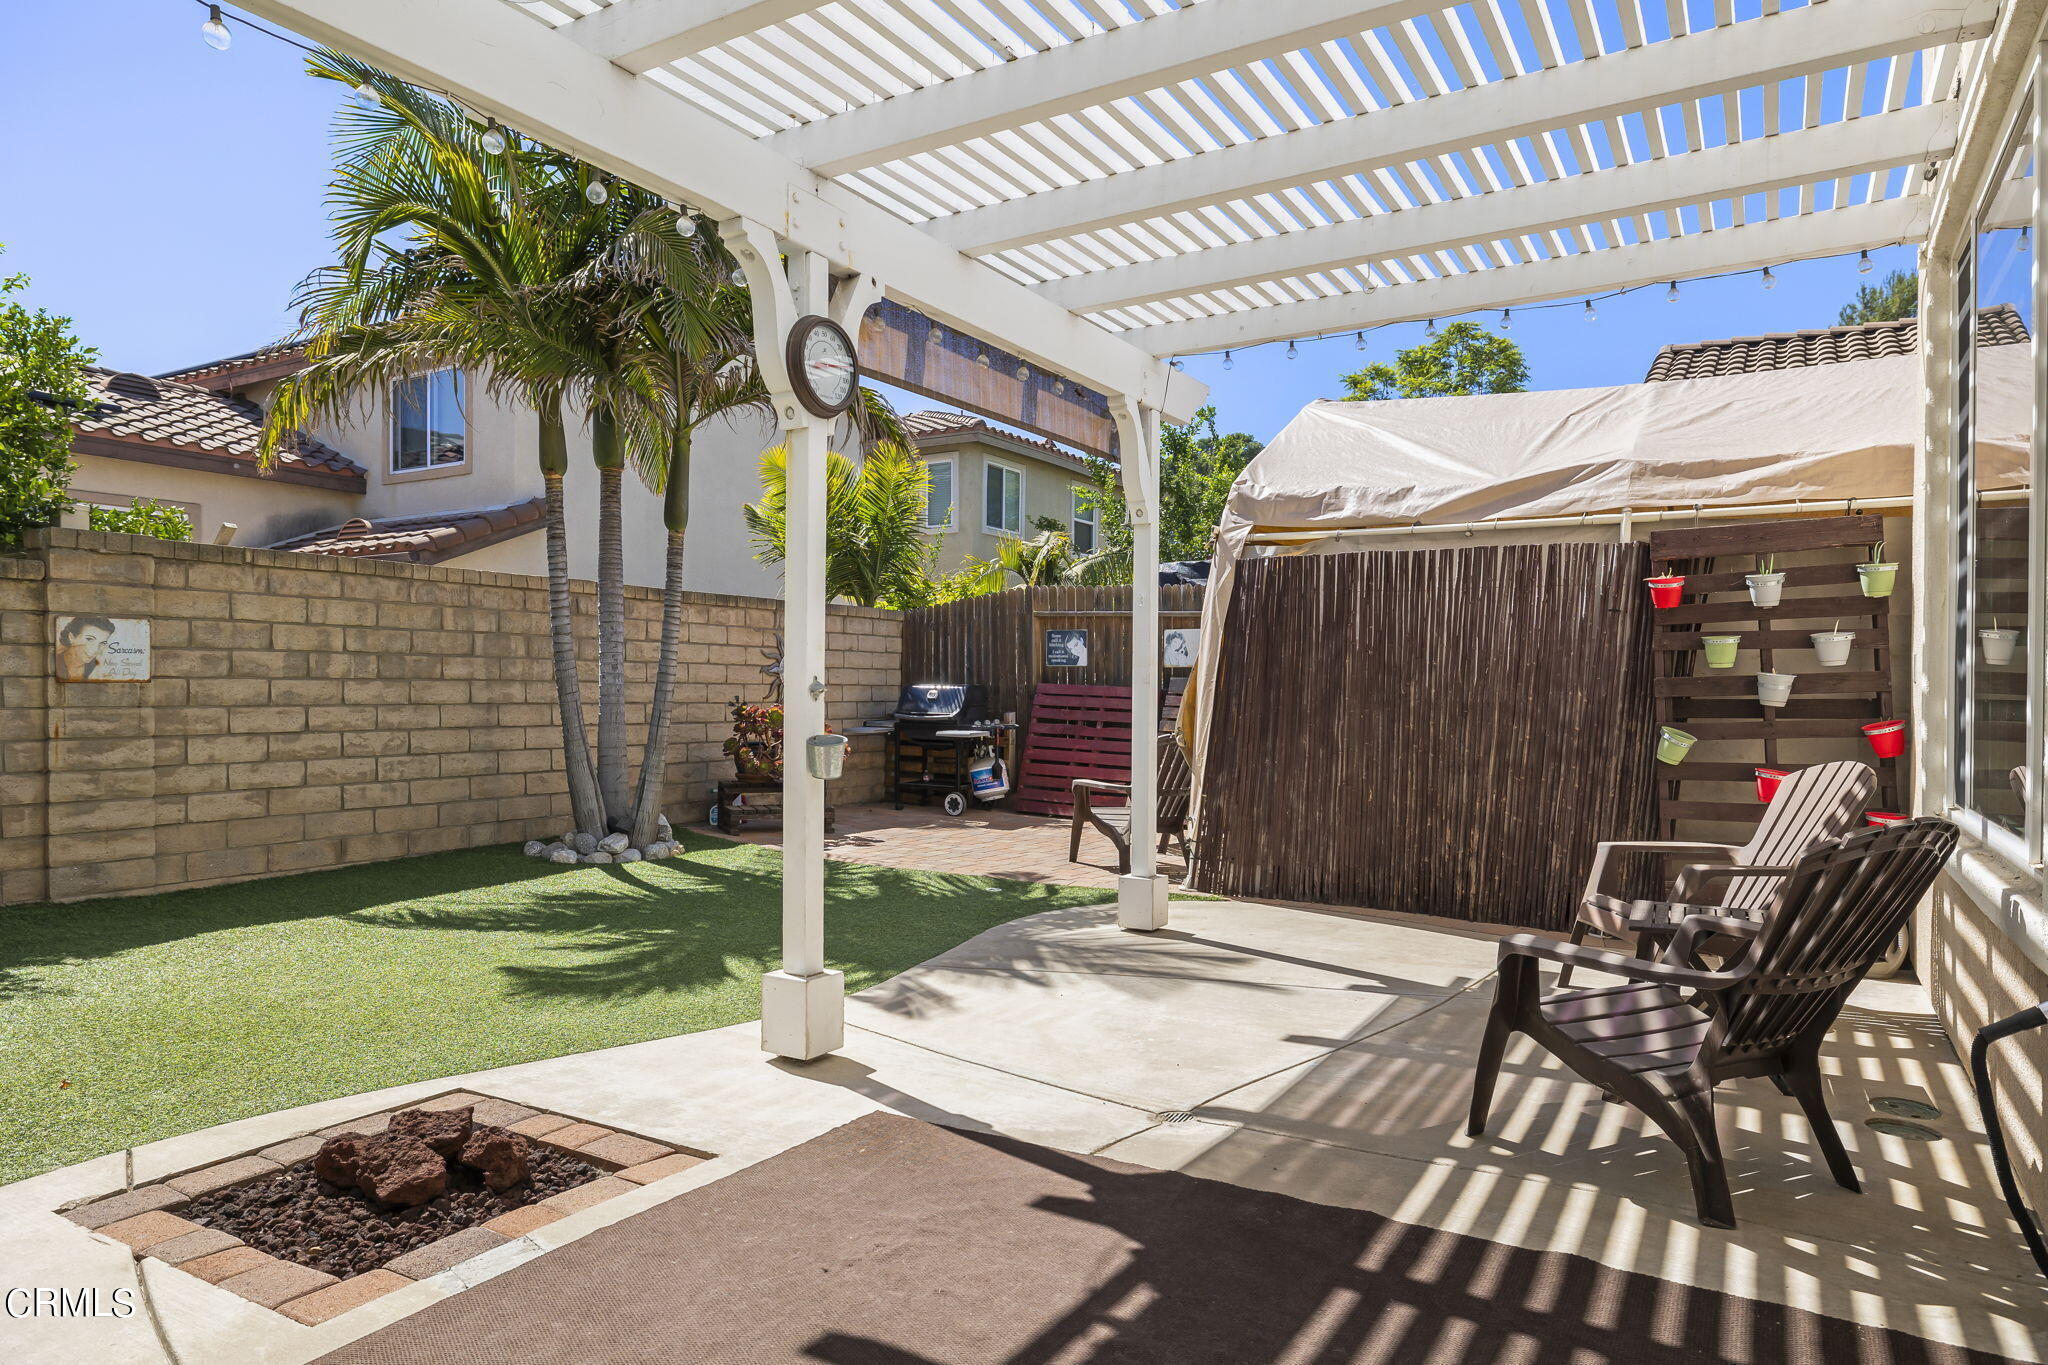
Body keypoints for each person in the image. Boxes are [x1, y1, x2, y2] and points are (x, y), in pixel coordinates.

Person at [54, 614, 117, 682]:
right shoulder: (55, 662)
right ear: (71, 637)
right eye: (89, 639)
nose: (95, 649)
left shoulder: (91, 665)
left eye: (102, 643)